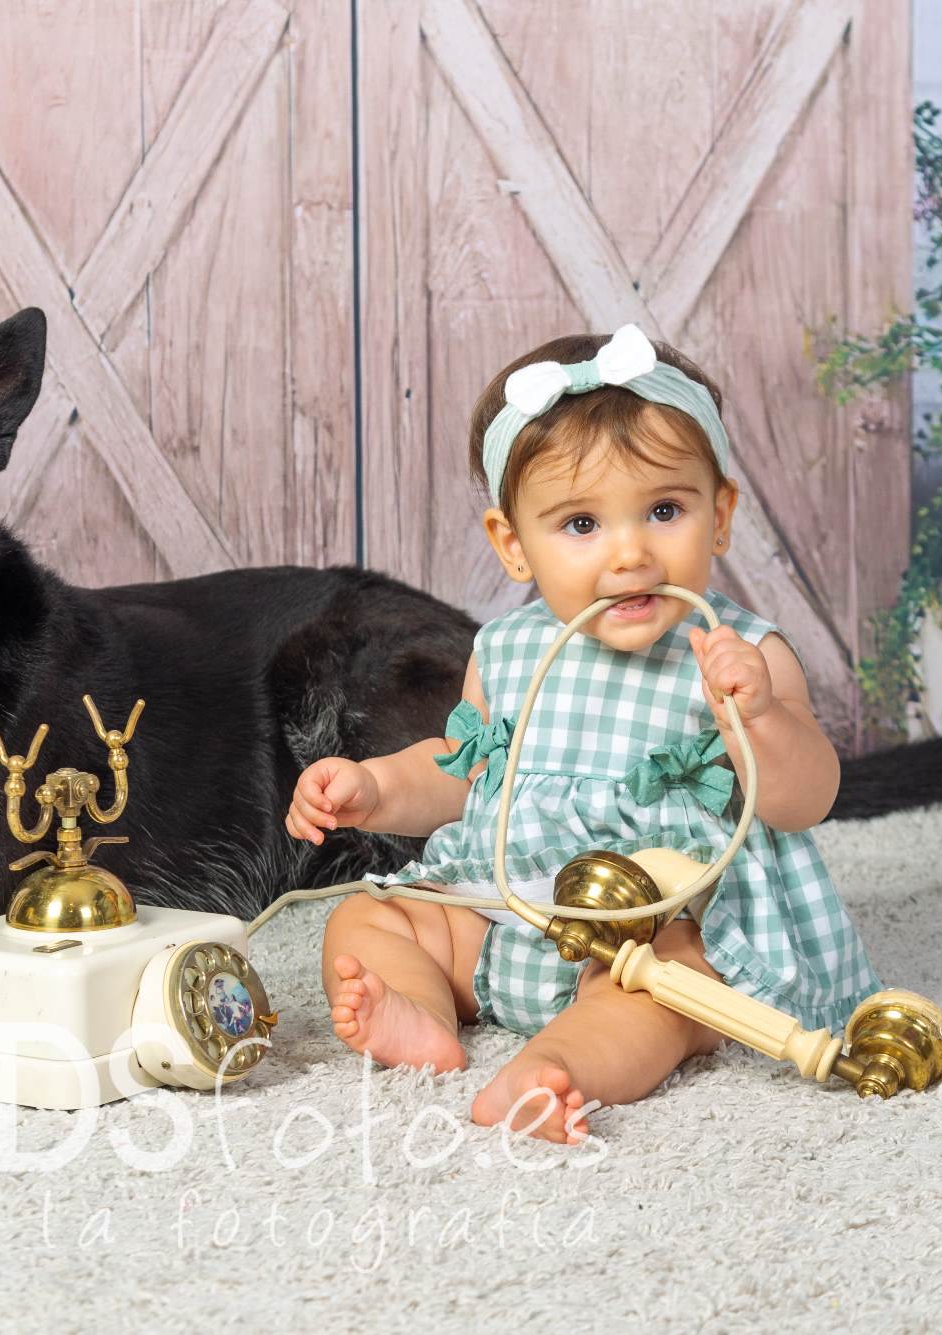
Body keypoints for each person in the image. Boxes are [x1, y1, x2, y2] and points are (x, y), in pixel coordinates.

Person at [284, 324, 883, 1143]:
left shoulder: (745, 653)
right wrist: (378, 786)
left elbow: (803, 800)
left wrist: (763, 720)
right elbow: (467, 773)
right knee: (369, 917)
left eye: (664, 510)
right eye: (580, 525)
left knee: (674, 990)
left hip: (651, 930)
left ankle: (559, 1065)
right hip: (502, 913)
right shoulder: (507, 650)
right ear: (513, 544)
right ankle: (420, 1014)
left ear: (720, 516)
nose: (630, 553)